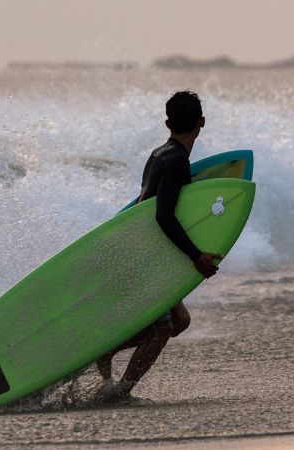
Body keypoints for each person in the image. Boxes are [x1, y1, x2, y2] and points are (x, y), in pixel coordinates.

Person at [93, 91, 221, 405]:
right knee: (162, 328)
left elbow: (146, 205)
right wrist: (196, 256)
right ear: (202, 122)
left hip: (143, 245)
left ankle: (107, 349)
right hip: (148, 251)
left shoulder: (160, 152)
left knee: (180, 322)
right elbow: (162, 214)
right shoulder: (177, 160)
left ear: (167, 122)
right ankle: (120, 393)